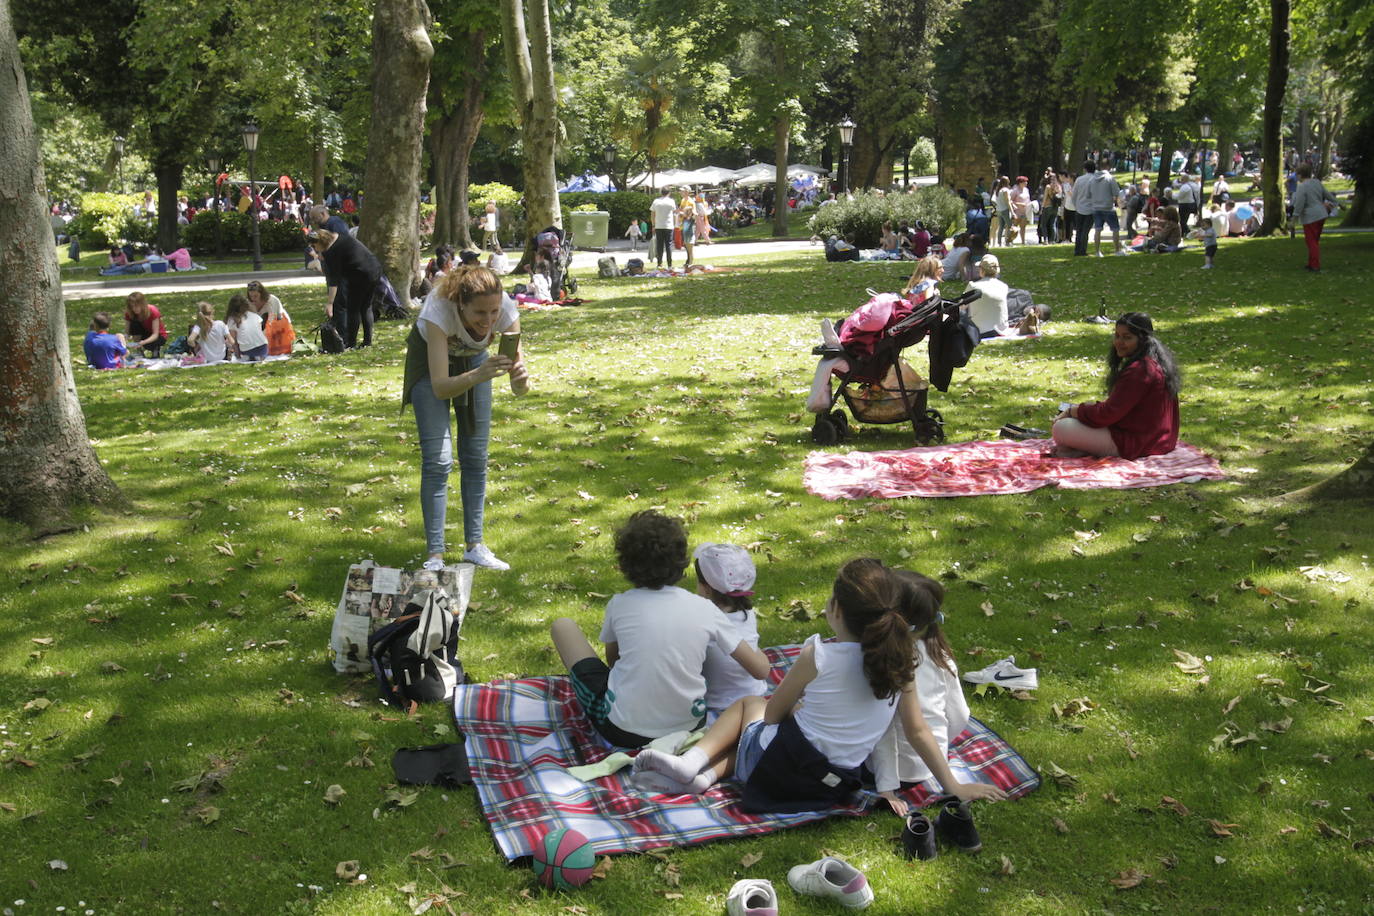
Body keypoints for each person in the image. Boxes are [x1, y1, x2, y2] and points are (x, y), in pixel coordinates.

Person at [630, 558, 1008, 811]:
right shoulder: (902, 663)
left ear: (837, 610)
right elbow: (919, 730)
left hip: (779, 771)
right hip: (829, 786)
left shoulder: (817, 654)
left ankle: (690, 762)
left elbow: (774, 715)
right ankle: (705, 778)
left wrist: (796, 708)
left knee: (751, 705)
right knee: (764, 741)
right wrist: (953, 786)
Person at [550, 511, 770, 748]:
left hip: (623, 730)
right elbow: (759, 668)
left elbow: (614, 661)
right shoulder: (706, 609)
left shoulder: (620, 604)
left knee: (562, 626)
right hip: (690, 727)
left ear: (625, 565)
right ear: (681, 562)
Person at [401, 265, 529, 572]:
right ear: (461, 304)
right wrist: (479, 374)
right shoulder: (438, 311)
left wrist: (520, 379)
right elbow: (441, 387)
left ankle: (475, 546)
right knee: (438, 459)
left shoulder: (506, 311)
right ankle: (435, 556)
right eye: (479, 313)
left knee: (475, 455)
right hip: (431, 367)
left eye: (493, 312)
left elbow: (519, 387)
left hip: (474, 362)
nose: (488, 321)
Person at [867, 570, 971, 816]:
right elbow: (959, 715)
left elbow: (884, 730)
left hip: (890, 771)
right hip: (932, 763)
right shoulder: (940, 656)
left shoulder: (882, 662)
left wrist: (887, 787)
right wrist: (940, 744)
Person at [1050, 311, 1180, 459]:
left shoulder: (1140, 370)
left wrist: (1072, 411)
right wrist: (1081, 410)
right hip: (1159, 441)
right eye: (1117, 336)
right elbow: (1117, 409)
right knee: (1084, 410)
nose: (1119, 342)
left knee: (1061, 428)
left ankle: (1080, 449)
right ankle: (1080, 449)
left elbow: (1107, 414)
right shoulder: (1153, 363)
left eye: (1127, 338)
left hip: (1140, 444)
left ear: (1143, 340)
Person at [693, 543, 769, 722]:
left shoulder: (701, 622)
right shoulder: (747, 614)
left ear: (706, 588)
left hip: (717, 701)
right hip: (754, 695)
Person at [307, 228, 385, 349]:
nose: (314, 249)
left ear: (321, 242)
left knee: (353, 309)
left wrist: (330, 303)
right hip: (374, 269)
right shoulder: (340, 236)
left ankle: (351, 343)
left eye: (314, 245)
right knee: (366, 306)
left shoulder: (331, 252)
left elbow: (334, 281)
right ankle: (367, 341)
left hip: (360, 275)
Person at [1290, 162, 1336, 273]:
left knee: (1311, 242)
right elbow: (1328, 195)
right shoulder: (1317, 182)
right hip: (1321, 214)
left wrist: (1294, 219)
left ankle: (1315, 265)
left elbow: (1299, 204)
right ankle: (1311, 263)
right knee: (1315, 240)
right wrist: (1337, 203)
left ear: (1300, 175)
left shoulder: (1302, 187)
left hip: (1310, 217)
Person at [963, 253, 1010, 338]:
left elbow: (961, 307)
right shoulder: (1003, 286)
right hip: (1001, 330)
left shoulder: (973, 286)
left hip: (979, 330)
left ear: (982, 270)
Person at [246, 281, 294, 355]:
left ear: (261, 294)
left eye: (255, 296)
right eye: (251, 296)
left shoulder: (271, 300)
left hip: (278, 323)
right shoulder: (248, 303)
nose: (253, 299)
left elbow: (273, 320)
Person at [1087, 160, 1124, 256]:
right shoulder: (1110, 178)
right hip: (1108, 207)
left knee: (1097, 230)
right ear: (1108, 166)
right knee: (1115, 229)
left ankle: (1097, 251)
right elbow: (1116, 193)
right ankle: (1117, 250)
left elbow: (1088, 194)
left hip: (1096, 208)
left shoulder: (1092, 179)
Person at [225, 294, 269, 361]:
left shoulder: (232, 320)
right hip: (263, 347)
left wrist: (238, 357)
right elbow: (260, 332)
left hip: (247, 350)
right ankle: (258, 356)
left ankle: (250, 356)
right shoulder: (254, 315)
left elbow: (234, 342)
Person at [123, 292, 167, 357]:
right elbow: (127, 332)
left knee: (151, 343)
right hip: (143, 334)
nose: (134, 309)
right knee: (135, 323)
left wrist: (144, 342)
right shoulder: (130, 313)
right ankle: (139, 351)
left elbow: (155, 334)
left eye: (136, 306)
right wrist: (123, 340)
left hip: (158, 336)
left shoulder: (152, 311)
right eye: (132, 306)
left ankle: (155, 350)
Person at [651, 190, 676, 269]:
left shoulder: (656, 201)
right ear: (669, 193)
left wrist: (653, 225)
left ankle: (659, 263)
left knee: (659, 245)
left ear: (661, 193)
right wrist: (674, 224)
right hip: (669, 225)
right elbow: (674, 213)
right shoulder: (671, 201)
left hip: (659, 226)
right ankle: (669, 264)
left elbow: (652, 214)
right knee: (669, 245)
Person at [1008, 176, 1032, 245]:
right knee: (1014, 228)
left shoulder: (1026, 190)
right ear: (1020, 183)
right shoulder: (1015, 190)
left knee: (1023, 227)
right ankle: (1010, 241)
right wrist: (1019, 204)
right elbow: (1010, 201)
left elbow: (1028, 199)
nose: (1026, 183)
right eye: (1025, 182)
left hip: (1025, 211)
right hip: (1017, 212)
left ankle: (1023, 242)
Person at [678, 193, 696, 268]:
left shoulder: (690, 219)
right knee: (688, 248)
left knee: (690, 249)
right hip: (686, 233)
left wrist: (684, 213)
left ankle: (690, 262)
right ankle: (689, 262)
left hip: (689, 234)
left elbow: (693, 213)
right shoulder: (685, 219)